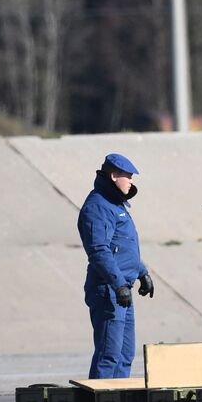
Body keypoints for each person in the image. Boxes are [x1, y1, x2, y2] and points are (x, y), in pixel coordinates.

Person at [77, 152, 154, 379]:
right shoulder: (97, 207)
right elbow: (99, 251)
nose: (131, 181)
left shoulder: (115, 205)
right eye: (127, 177)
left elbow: (122, 248)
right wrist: (118, 284)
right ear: (113, 176)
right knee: (109, 354)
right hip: (107, 290)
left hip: (122, 290)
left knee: (124, 354)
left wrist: (142, 272)